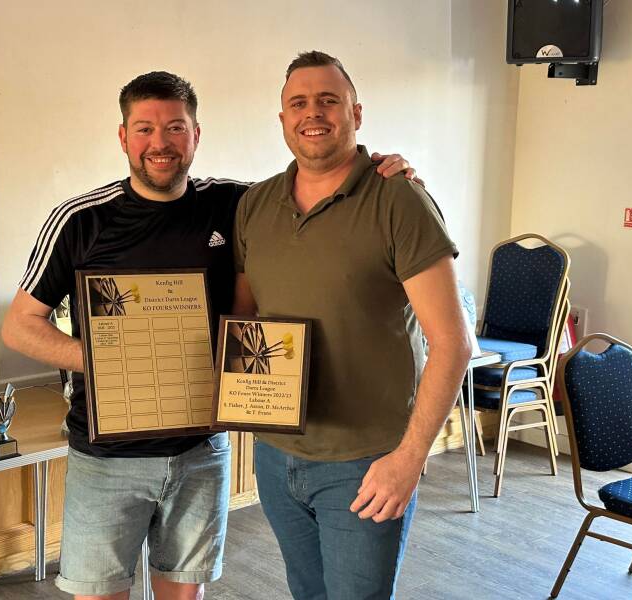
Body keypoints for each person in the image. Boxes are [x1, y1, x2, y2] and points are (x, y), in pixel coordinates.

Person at [1, 70, 418, 600]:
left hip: (202, 450)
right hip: (108, 458)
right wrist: (114, 359)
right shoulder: (80, 220)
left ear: (196, 135)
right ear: (123, 136)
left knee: (186, 594)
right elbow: (20, 326)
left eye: (175, 128)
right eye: (145, 129)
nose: (160, 143)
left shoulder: (238, 204)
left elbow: (320, 188)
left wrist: (386, 174)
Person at [232, 51, 472, 600]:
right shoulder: (255, 204)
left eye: (328, 100)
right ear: (283, 119)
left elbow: (453, 344)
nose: (312, 113)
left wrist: (408, 460)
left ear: (355, 113)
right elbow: (244, 323)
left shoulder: (399, 199)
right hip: (275, 454)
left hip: (366, 463)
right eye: (298, 103)